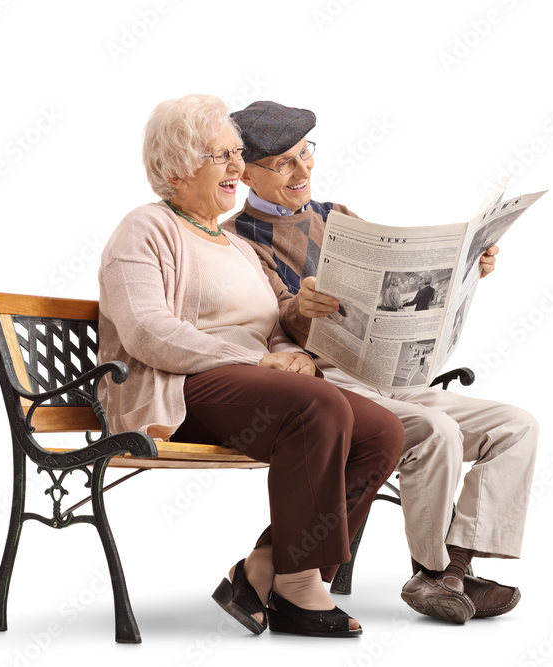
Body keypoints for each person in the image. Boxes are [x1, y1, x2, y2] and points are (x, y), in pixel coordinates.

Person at [96, 94, 403, 637]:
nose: (239, 167)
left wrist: (289, 358)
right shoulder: (144, 229)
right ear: (175, 167)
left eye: (238, 154)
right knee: (320, 407)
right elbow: (147, 331)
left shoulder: (235, 246)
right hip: (181, 388)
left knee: (380, 430)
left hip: (253, 388)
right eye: (222, 156)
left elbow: (275, 330)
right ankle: (302, 585)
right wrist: (257, 360)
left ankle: (266, 568)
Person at [222, 100, 538, 625]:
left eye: (306, 155)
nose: (303, 172)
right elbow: (275, 324)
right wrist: (302, 307)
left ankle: (455, 569)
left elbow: (399, 278)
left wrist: (467, 269)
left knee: (516, 426)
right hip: (325, 384)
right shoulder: (238, 241)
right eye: (283, 163)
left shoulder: (338, 217)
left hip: (388, 376)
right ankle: (435, 577)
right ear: (246, 171)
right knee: (436, 429)